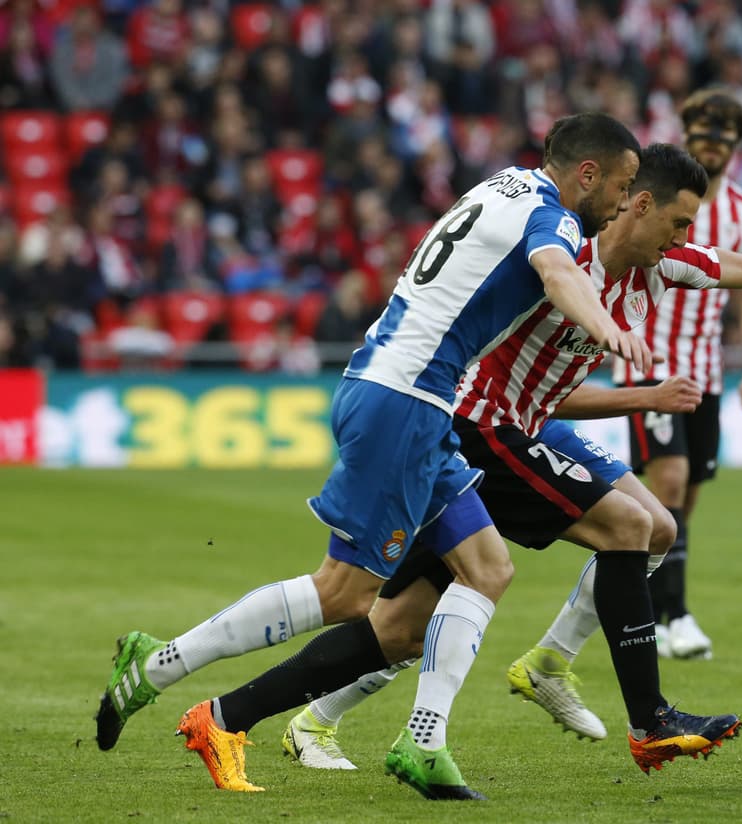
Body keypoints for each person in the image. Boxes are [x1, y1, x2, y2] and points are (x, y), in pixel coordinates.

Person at [265, 143, 742, 773]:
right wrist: (638, 389)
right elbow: (520, 375)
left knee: (639, 533)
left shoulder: (663, 264)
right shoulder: (563, 261)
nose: (685, 243)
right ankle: (640, 716)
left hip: (525, 425)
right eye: (677, 223)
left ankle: (529, 668)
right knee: (593, 542)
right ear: (638, 202)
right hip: (478, 431)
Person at [94, 112, 650, 798]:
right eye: (621, 186)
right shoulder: (555, 216)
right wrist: (604, 327)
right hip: (405, 401)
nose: (623, 202)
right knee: (344, 593)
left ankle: (424, 743)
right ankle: (163, 663)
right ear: (586, 173)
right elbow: (555, 268)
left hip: (409, 395)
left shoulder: (502, 185)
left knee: (486, 567)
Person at [615, 88, 742, 660]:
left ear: (735, 148)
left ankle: (652, 608)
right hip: (652, 365)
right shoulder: (656, 200)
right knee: (672, 482)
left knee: (682, 503)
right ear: (687, 137)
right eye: (702, 138)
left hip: (706, 373)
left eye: (722, 141)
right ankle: (675, 617)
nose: (713, 149)